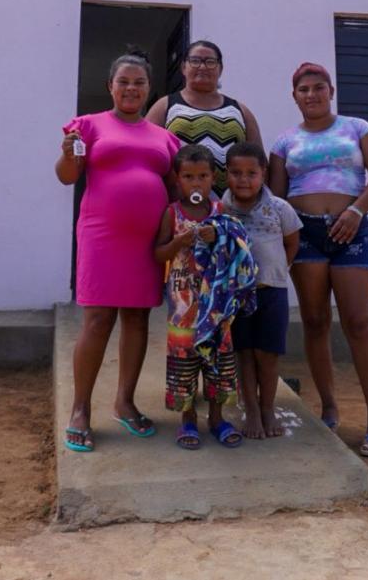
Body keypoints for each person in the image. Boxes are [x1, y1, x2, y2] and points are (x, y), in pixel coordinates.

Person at [268, 62, 368, 459]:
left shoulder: (358, 128)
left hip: (352, 231)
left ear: (331, 90)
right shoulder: (284, 142)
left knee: (359, 323)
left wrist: (356, 211)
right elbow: (275, 198)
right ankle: (329, 408)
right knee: (315, 321)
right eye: (303, 89)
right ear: (294, 96)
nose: (311, 94)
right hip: (305, 236)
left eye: (318, 87)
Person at [56, 52, 180, 453]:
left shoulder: (165, 137)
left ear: (148, 89)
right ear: (110, 86)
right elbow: (67, 176)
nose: (131, 88)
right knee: (97, 320)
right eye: (123, 81)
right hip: (103, 235)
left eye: (139, 82)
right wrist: (68, 151)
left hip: (148, 242)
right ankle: (80, 410)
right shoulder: (88, 126)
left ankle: (125, 403)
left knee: (138, 319)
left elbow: (180, 189)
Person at [153, 145, 244, 449]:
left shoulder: (220, 213)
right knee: (184, 366)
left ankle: (217, 419)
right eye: (189, 177)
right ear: (178, 180)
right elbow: (158, 253)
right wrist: (179, 241)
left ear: (213, 178)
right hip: (182, 311)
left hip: (215, 311)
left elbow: (236, 250)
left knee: (218, 363)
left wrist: (218, 236)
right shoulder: (172, 213)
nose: (196, 183)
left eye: (202, 176)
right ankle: (188, 419)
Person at [221, 141, 301, 440]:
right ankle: (251, 408)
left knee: (267, 354)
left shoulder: (280, 208)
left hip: (272, 292)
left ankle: (268, 407)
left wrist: (277, 271)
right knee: (244, 353)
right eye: (236, 173)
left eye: (251, 173)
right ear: (226, 174)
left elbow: (292, 243)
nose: (244, 180)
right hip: (237, 296)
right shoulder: (221, 207)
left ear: (264, 174)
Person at [146, 40, 263, 196]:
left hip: (231, 209)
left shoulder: (240, 110)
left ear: (220, 69)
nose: (202, 67)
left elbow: (259, 160)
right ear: (183, 67)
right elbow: (145, 155)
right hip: (180, 206)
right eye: (195, 61)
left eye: (210, 62)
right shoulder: (165, 106)